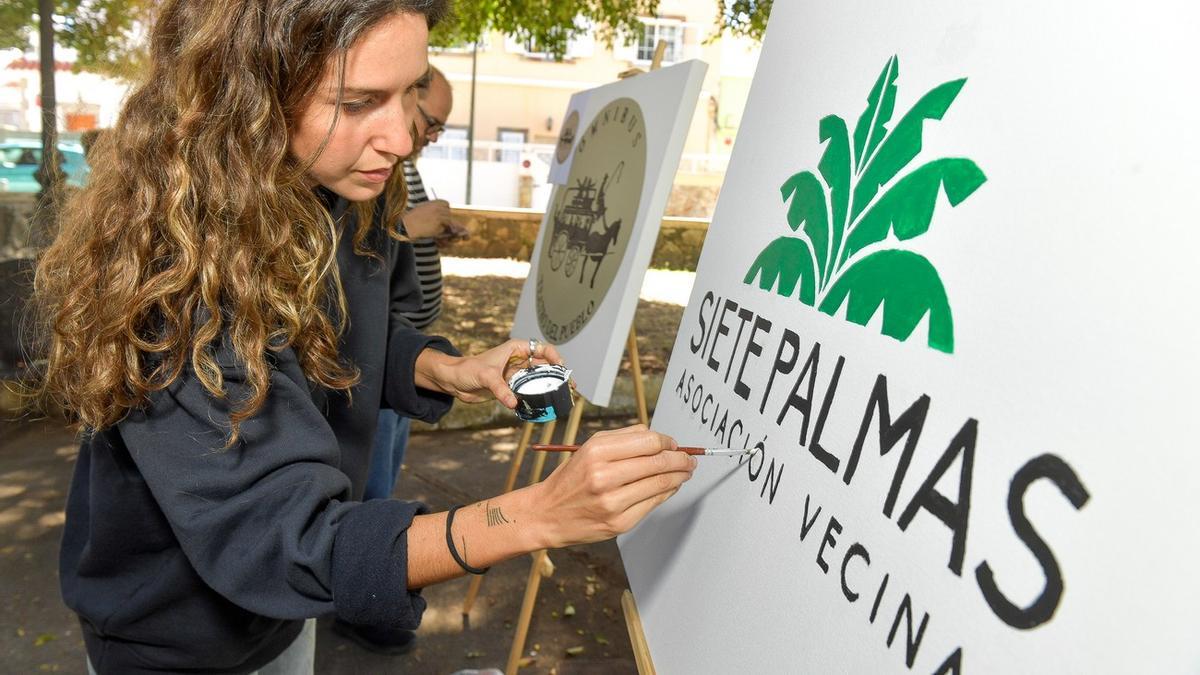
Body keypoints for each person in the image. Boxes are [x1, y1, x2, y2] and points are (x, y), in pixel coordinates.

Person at [32, 2, 696, 674]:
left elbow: (340, 342)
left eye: (410, 91)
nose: (404, 139)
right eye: (358, 102)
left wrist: (448, 369)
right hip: (173, 642)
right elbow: (290, 540)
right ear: (250, 96)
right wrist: (539, 514)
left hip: (284, 615)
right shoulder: (176, 279)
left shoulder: (336, 191)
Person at [343, 64, 460, 656]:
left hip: (395, 359)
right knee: (369, 489)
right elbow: (358, 263)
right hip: (375, 367)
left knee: (379, 478)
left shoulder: (387, 166)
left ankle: (363, 589)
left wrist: (439, 367)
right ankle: (363, 601)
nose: (417, 137)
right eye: (429, 119)